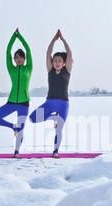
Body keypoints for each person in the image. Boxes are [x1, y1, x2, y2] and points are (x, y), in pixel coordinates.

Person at [0, 28, 33, 159]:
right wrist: (14, 36)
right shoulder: (11, 69)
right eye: (16, 58)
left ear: (24, 59)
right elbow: (8, 51)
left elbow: (28, 49)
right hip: (11, 102)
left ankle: (17, 152)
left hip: (24, 103)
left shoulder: (28, 68)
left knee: (22, 129)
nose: (18, 59)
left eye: (21, 57)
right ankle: (13, 127)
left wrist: (20, 37)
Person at [29, 29, 73, 158]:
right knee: (33, 118)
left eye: (60, 61)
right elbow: (48, 52)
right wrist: (54, 40)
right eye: (55, 61)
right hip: (50, 103)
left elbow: (69, 54)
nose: (57, 63)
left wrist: (63, 40)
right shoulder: (50, 70)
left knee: (59, 129)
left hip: (63, 104)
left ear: (64, 62)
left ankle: (55, 151)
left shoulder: (67, 70)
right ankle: (54, 117)